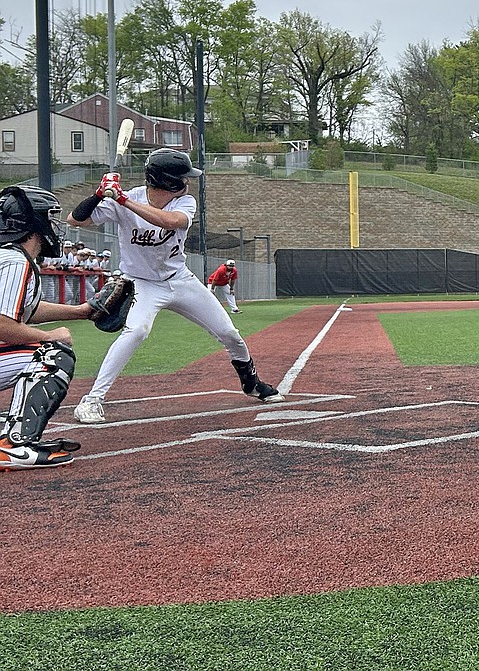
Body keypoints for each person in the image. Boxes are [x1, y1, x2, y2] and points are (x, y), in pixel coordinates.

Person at [66, 149, 284, 424]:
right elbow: (75, 219)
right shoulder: (128, 199)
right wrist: (99, 194)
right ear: (167, 180)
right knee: (136, 331)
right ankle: (92, 400)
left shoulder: (183, 202)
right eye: (182, 177)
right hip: (142, 284)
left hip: (180, 279)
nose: (187, 182)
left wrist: (121, 199)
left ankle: (251, 383)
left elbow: (170, 221)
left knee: (229, 333)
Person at [0, 186, 97, 470]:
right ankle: (15, 446)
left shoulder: (9, 257)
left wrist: (81, 312)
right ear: (34, 222)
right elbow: (2, 324)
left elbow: (25, 310)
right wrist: (50, 336)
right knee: (54, 355)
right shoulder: (15, 262)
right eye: (50, 218)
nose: (54, 226)